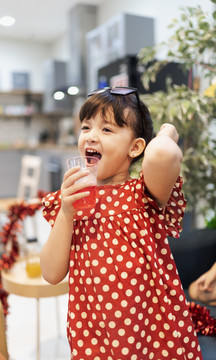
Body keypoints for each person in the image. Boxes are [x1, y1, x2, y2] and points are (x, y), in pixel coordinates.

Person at [40, 87, 203, 359]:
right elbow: (51, 273)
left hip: (155, 331)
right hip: (95, 332)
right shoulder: (71, 202)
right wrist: (66, 213)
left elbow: (163, 154)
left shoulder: (143, 194)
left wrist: (168, 132)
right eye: (86, 127)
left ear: (136, 147)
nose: (91, 136)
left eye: (106, 130)